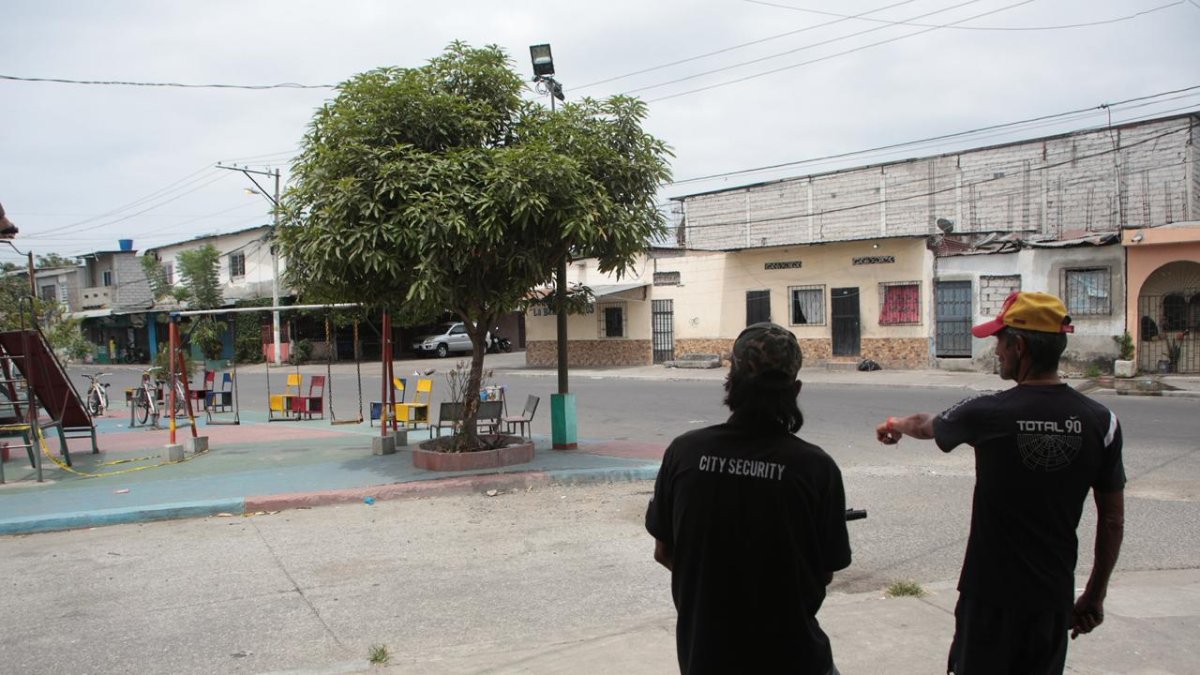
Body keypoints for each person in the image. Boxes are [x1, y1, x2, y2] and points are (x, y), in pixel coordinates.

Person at [875, 291, 1125, 675]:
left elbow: (927, 424)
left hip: (989, 601)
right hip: (1051, 600)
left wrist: (893, 424)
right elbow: (1112, 520)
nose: (997, 350)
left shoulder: (988, 411)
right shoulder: (1101, 421)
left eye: (999, 341)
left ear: (1019, 346)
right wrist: (1094, 595)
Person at [646, 322, 852, 675]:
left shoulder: (684, 453)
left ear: (731, 382)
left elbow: (663, 551)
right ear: (796, 389)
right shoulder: (817, 468)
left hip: (705, 658)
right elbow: (826, 571)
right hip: (795, 659)